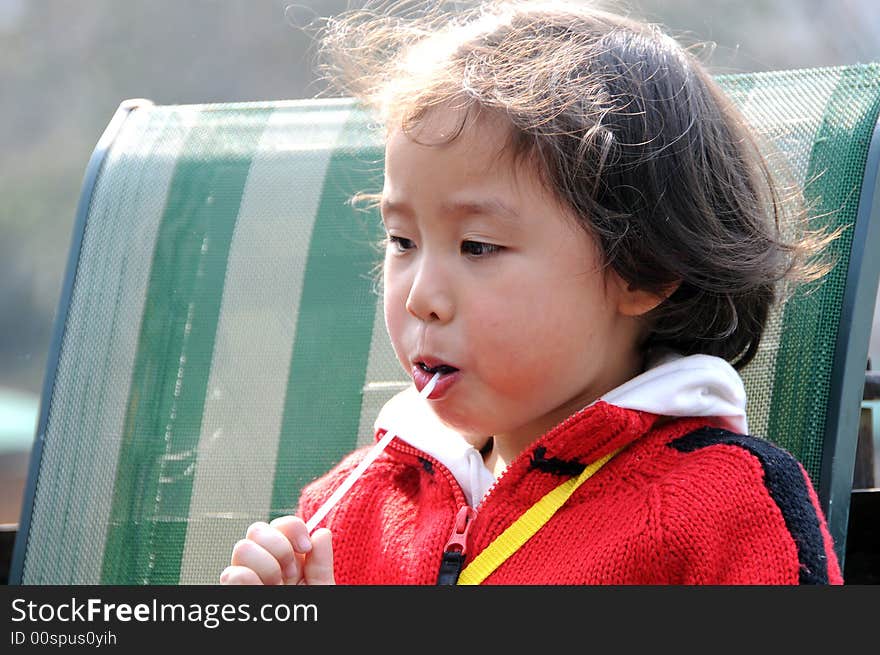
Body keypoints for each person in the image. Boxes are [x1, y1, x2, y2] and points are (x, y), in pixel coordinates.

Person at [220, 0, 842, 585]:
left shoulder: (719, 506)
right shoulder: (345, 512)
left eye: (478, 247)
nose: (420, 298)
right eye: (401, 241)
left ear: (642, 271)